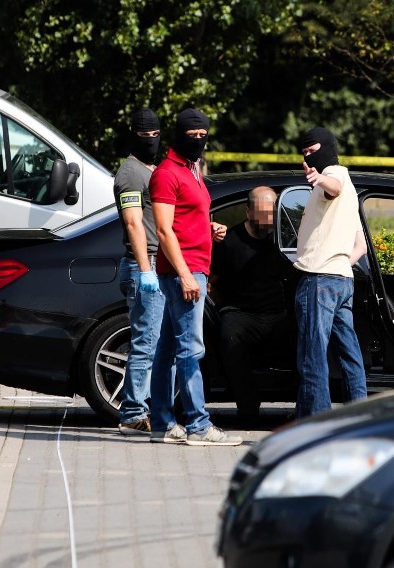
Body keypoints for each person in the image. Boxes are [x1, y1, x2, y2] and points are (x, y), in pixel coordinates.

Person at [148, 108, 241, 446]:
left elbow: (187, 218)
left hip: (194, 267)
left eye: (204, 135)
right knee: (191, 348)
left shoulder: (192, 170)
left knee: (169, 347)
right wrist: (186, 275)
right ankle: (199, 426)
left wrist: (209, 228)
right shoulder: (167, 173)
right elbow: (163, 228)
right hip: (182, 273)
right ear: (180, 135)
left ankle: (160, 421)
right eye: (193, 135)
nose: (199, 140)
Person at [293, 127, 368, 418]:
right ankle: (360, 417)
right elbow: (359, 245)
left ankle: (317, 426)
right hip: (341, 279)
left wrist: (319, 178)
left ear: (327, 148)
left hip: (319, 279)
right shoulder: (350, 193)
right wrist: (337, 261)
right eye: (305, 153)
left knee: (313, 357)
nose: (308, 158)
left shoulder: (334, 177)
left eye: (312, 151)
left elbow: (332, 184)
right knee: (350, 355)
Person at [209, 185, 294, 422]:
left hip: (277, 313)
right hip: (241, 313)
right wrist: (221, 309)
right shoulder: (230, 242)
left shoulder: (282, 240)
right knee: (230, 337)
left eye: (272, 213)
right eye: (262, 213)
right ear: (248, 212)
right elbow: (211, 283)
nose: (268, 219)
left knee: (305, 335)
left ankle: (304, 405)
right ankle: (248, 408)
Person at [114, 107, 162, 436]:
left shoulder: (154, 170)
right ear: (134, 136)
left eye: (154, 135)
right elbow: (133, 223)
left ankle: (145, 407)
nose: (151, 141)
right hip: (143, 264)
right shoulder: (130, 173)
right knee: (145, 342)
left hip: (159, 264)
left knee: (155, 342)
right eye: (144, 136)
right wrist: (146, 270)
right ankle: (132, 412)